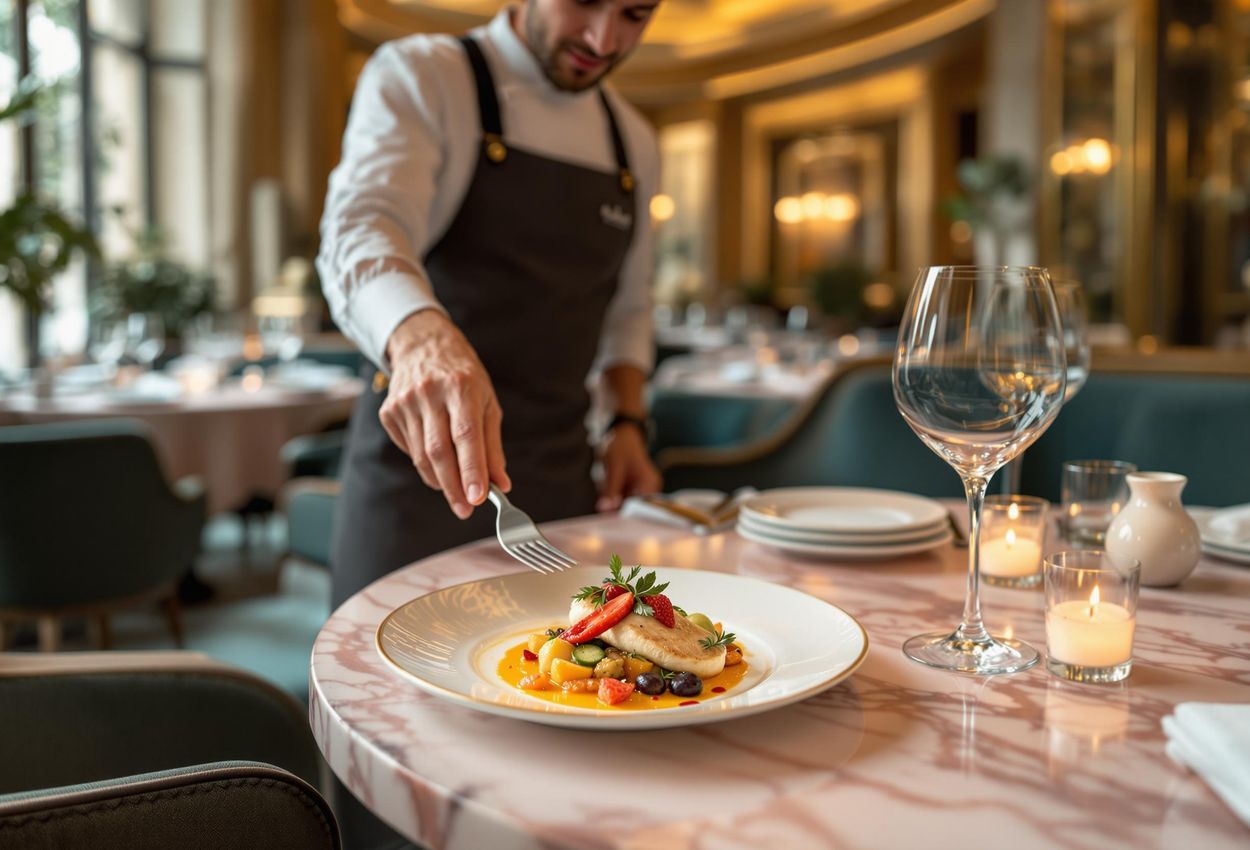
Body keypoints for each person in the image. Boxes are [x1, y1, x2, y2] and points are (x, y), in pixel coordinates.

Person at [317, 0, 665, 611]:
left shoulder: (635, 141)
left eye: (635, 14)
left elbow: (629, 309)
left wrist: (625, 423)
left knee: (569, 689)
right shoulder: (424, 75)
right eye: (584, 2)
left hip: (560, 483)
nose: (603, 38)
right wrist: (421, 339)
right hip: (417, 477)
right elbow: (362, 230)